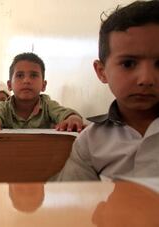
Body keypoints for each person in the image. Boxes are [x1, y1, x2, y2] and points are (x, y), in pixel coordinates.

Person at [55, 0, 159, 181]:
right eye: (128, 63)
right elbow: (77, 202)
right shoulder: (90, 141)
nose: (146, 79)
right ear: (101, 72)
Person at [0, 53, 83, 131]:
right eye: (20, 75)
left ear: (43, 85)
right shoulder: (3, 107)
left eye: (33, 75)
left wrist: (72, 118)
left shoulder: (48, 105)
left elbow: (64, 113)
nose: (26, 81)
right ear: (9, 85)